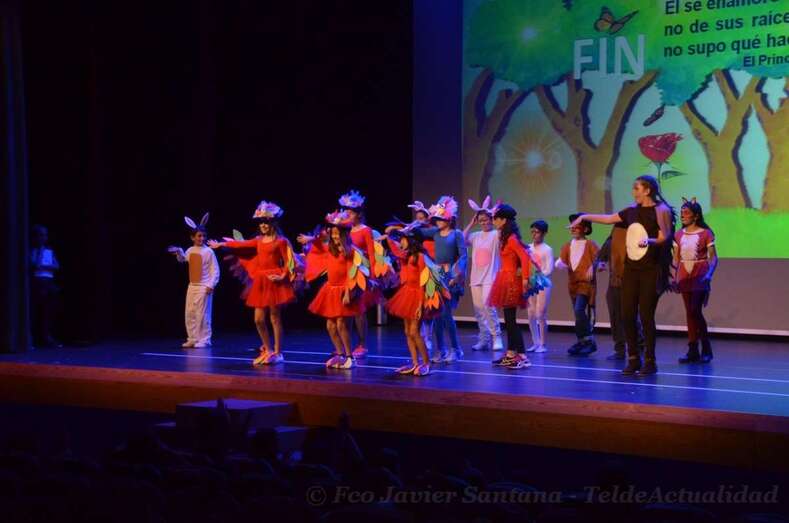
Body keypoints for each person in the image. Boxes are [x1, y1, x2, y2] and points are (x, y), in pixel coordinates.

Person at [570, 175, 674, 376]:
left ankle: (650, 361)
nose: (633, 192)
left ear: (648, 190)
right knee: (627, 314)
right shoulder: (630, 212)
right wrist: (583, 216)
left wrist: (650, 241)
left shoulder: (661, 211)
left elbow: (665, 236)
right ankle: (633, 358)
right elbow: (608, 218)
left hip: (650, 270)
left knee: (645, 316)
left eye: (637, 188)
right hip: (631, 270)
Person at [208, 202, 297, 365]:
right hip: (261, 282)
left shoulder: (281, 241)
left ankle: (278, 352)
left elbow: (290, 261)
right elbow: (241, 244)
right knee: (258, 319)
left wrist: (283, 275)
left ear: (273, 223)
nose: (263, 225)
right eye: (261, 222)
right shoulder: (258, 240)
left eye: (266, 222)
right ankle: (268, 349)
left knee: (275, 318)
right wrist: (222, 244)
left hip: (274, 280)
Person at [298, 210, 370, 370]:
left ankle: (350, 356)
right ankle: (339, 353)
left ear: (344, 234)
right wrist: (311, 240)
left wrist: (348, 292)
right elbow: (317, 245)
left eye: (338, 234)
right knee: (330, 325)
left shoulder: (351, 251)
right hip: (330, 290)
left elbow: (353, 273)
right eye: (334, 234)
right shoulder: (329, 248)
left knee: (341, 324)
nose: (335, 237)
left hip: (344, 291)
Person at [487, 204, 551, 369]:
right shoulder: (505, 236)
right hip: (505, 278)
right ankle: (511, 354)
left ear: (504, 220)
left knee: (510, 321)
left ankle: (521, 356)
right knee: (509, 320)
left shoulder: (511, 238)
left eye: (496, 218)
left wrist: (525, 279)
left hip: (511, 281)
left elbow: (524, 257)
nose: (493, 221)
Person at [384, 226, 449, 376]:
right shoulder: (405, 255)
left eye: (403, 239)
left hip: (418, 295)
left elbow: (423, 282)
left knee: (415, 331)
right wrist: (392, 231)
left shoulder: (420, 257)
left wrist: (420, 305)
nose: (400, 242)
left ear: (411, 240)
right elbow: (392, 246)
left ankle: (426, 363)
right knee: (407, 331)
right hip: (406, 293)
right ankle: (414, 363)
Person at [416, 196, 468, 364]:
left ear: (449, 219)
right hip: (437, 277)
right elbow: (419, 232)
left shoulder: (457, 234)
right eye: (436, 219)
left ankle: (456, 349)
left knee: (446, 315)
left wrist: (457, 275)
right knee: (436, 315)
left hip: (450, 277)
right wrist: (405, 228)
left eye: (440, 218)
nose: (437, 221)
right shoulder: (435, 233)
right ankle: (441, 350)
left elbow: (464, 256)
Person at [673, 197, 717, 364]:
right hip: (684, 275)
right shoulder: (678, 235)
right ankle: (693, 350)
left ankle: (706, 348)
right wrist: (674, 277)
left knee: (695, 311)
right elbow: (676, 259)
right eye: (682, 213)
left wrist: (709, 275)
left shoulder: (706, 233)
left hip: (700, 274)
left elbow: (713, 258)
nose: (683, 215)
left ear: (696, 216)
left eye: (686, 212)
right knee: (689, 314)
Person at [338, 190, 380, 359]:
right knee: (345, 309)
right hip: (344, 272)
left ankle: (362, 344)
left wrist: (372, 276)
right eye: (345, 212)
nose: (347, 215)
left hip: (360, 272)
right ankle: (345, 344)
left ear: (358, 214)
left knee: (358, 311)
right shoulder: (344, 230)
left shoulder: (365, 230)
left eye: (350, 212)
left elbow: (371, 253)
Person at [169, 213, 220, 349]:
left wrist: (211, 284)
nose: (201, 238)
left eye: (203, 236)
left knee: (202, 314)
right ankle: (192, 338)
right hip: (192, 286)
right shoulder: (191, 250)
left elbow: (215, 270)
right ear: (192, 237)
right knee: (190, 312)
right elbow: (183, 260)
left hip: (204, 287)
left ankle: (204, 339)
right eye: (199, 236)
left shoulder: (208, 251)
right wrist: (179, 252)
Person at [595, 221, 645, 360]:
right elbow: (602, 256)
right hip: (614, 283)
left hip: (630, 282)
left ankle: (639, 344)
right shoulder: (611, 241)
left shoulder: (635, 240)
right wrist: (601, 263)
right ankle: (620, 348)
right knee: (615, 316)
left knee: (631, 315)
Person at [555, 214, 599, 356]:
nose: (573, 229)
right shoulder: (567, 246)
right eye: (572, 226)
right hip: (573, 285)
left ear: (585, 229)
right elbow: (562, 261)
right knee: (577, 313)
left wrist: (594, 266)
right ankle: (582, 341)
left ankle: (589, 340)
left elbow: (599, 260)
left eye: (577, 226)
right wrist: (559, 264)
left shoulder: (590, 245)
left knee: (580, 310)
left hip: (585, 284)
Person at [463, 196, 502, 352]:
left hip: (490, 277)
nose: (485, 223)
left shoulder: (496, 234)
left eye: (487, 220)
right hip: (476, 278)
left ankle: (496, 337)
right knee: (478, 309)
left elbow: (503, 231)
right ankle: (484, 339)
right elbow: (461, 238)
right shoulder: (476, 235)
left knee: (488, 307)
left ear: (492, 220)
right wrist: (471, 224)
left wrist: (493, 213)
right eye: (481, 221)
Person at [30, 225, 62, 348]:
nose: (43, 238)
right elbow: (34, 265)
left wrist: (45, 266)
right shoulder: (32, 250)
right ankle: (34, 338)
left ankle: (47, 337)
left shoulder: (50, 251)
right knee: (35, 312)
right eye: (41, 235)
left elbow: (56, 266)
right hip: (37, 283)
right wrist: (41, 253)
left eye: (45, 235)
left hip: (49, 282)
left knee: (49, 312)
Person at [526, 220, 554, 353]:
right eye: (532, 231)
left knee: (540, 313)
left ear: (544, 233)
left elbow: (549, 269)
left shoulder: (547, 249)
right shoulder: (528, 248)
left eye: (537, 232)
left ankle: (543, 344)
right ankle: (535, 342)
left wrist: (538, 275)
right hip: (531, 283)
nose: (534, 234)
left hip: (543, 284)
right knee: (531, 313)